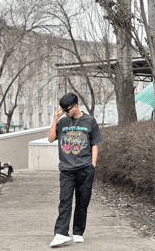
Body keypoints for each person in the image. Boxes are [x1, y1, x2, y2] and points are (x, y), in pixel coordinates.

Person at [49, 92, 103, 248]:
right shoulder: (63, 121)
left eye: (67, 109)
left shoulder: (90, 121)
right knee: (64, 201)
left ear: (76, 106)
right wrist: (55, 119)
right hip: (66, 169)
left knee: (82, 200)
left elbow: (95, 143)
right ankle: (60, 233)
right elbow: (51, 138)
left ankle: (78, 232)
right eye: (63, 109)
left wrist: (93, 165)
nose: (65, 112)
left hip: (85, 167)